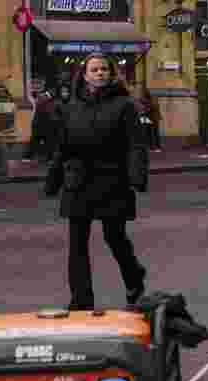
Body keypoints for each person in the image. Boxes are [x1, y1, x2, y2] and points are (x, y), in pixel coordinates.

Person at [43, 53, 148, 311]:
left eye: (104, 69)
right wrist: (53, 179)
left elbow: (136, 145)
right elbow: (63, 146)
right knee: (77, 243)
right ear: (85, 74)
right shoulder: (71, 106)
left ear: (111, 73)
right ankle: (81, 299)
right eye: (95, 69)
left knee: (115, 237)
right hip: (78, 180)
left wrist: (136, 176)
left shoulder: (125, 105)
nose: (100, 73)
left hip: (112, 180)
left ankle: (134, 278)